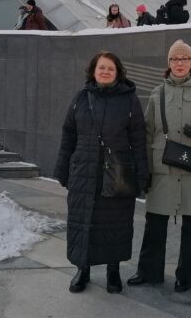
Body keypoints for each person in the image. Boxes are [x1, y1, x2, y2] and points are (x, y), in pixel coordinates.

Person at [128, 40, 191, 292]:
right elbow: (148, 132)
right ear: (169, 63)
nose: (180, 63)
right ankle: (148, 271)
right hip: (162, 168)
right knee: (155, 223)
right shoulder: (157, 93)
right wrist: (146, 170)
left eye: (185, 59)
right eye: (175, 59)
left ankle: (187, 275)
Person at [54, 51, 149, 294]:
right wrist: (63, 168)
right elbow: (68, 135)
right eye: (101, 68)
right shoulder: (81, 98)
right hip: (84, 170)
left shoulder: (130, 100)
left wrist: (142, 174)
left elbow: (139, 139)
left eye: (110, 68)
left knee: (115, 224)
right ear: (93, 71)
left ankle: (113, 271)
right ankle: (82, 270)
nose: (105, 72)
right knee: (83, 222)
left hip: (116, 170)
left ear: (118, 73)